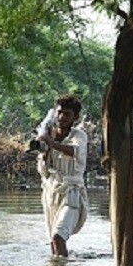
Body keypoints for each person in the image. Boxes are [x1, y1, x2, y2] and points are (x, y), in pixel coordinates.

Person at [37, 93, 88, 257]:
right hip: (51, 193)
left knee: (58, 236)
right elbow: (43, 168)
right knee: (53, 240)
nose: (62, 117)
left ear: (75, 117)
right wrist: (43, 148)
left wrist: (51, 143)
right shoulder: (48, 134)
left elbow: (74, 151)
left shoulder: (79, 136)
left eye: (67, 114)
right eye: (59, 113)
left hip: (71, 193)